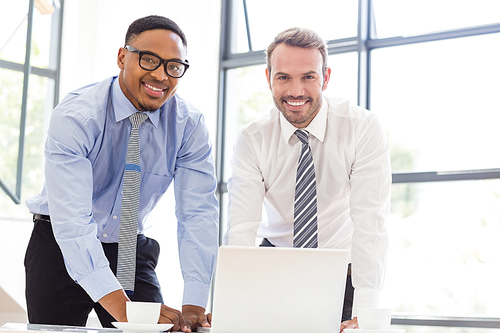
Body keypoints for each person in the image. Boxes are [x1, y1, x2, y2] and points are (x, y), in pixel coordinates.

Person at [24, 15, 218, 333]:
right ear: (122, 57)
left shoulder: (189, 126)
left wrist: (195, 304)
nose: (161, 75)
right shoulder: (77, 117)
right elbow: (72, 221)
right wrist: (120, 307)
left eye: (173, 66)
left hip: (129, 246)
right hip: (58, 244)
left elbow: (197, 215)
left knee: (163, 329)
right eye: (149, 60)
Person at [224, 27, 391, 332]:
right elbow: (241, 227)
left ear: (325, 77)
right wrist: (232, 304)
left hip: (344, 270)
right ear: (268, 78)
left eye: (308, 77)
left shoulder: (362, 128)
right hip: (273, 266)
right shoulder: (252, 140)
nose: (296, 91)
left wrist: (366, 312)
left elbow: (371, 224)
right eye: (283, 77)